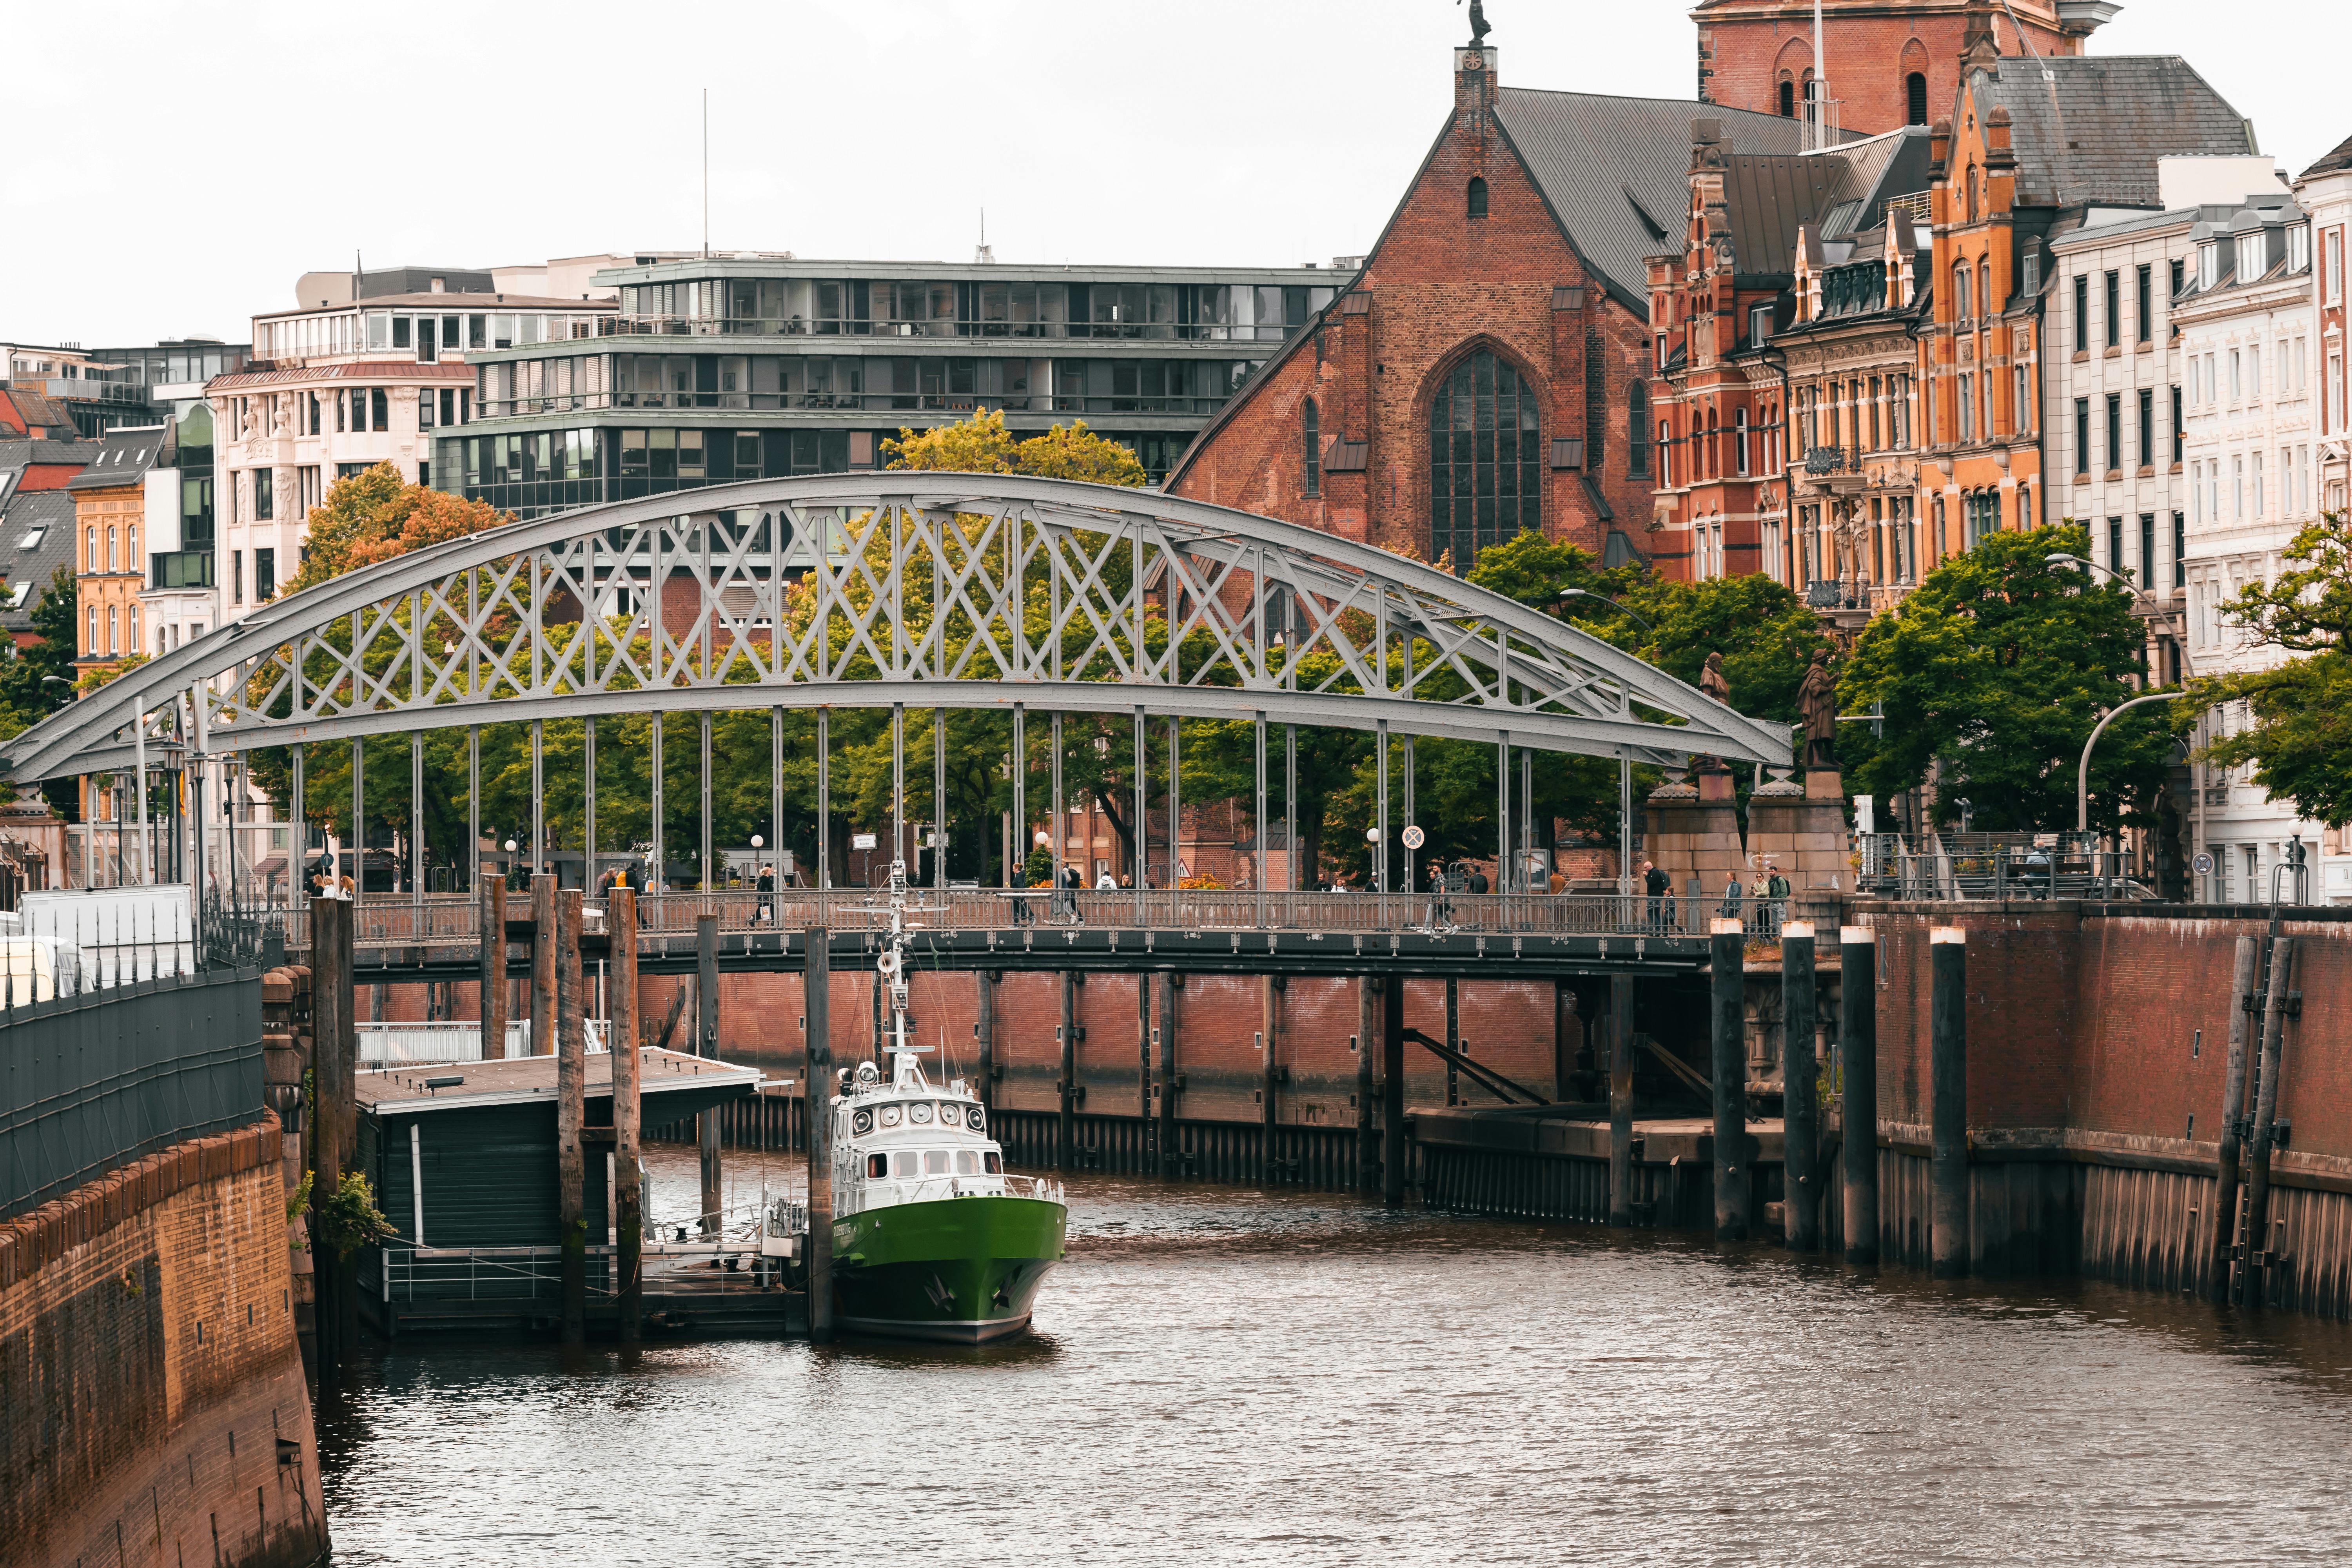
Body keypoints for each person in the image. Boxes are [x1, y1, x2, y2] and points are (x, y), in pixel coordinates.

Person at [1643, 859, 1669, 930]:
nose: (1645, 869)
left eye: (1646, 867)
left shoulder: (1654, 872)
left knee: (1650, 912)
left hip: (1654, 896)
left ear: (1650, 867)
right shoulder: (1654, 872)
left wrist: (1646, 876)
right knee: (1657, 913)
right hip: (1657, 896)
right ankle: (1659, 930)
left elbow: (1651, 883)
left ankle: (1658, 927)